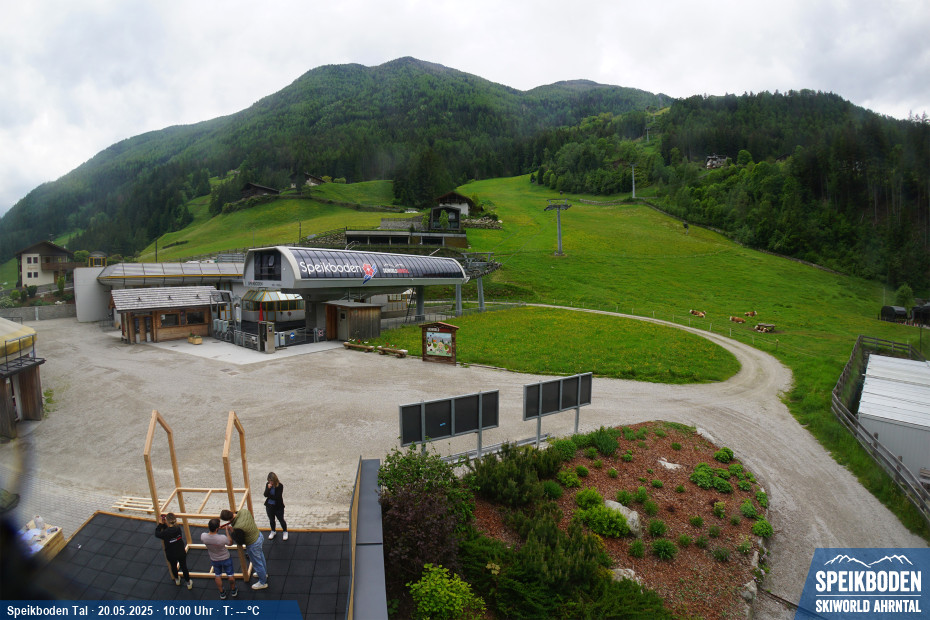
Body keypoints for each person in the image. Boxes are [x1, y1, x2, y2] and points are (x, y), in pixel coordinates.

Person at [220, 508, 268, 589]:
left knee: (257, 563)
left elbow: (240, 541)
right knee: (260, 556)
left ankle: (263, 582)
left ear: (228, 519)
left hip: (253, 544)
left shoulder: (238, 527)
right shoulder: (244, 511)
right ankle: (264, 573)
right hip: (259, 535)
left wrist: (232, 531)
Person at [201, 518, 237, 599]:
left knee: (217, 575)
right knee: (230, 575)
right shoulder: (222, 538)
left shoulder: (203, 536)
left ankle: (222, 593)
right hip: (226, 558)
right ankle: (233, 590)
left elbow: (207, 535)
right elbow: (230, 543)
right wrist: (227, 532)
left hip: (214, 559)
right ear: (217, 529)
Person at [154, 513, 192, 590]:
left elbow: (157, 533)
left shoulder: (165, 533)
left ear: (167, 521)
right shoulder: (178, 528)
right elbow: (170, 531)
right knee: (184, 567)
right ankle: (188, 583)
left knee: (173, 566)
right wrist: (165, 524)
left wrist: (160, 524)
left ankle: (177, 579)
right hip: (180, 551)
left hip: (171, 553)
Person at [263, 472, 288, 541]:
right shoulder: (268, 485)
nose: (270, 482)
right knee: (271, 520)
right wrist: (268, 489)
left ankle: (285, 531)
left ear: (275, 480)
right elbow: (265, 494)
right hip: (269, 506)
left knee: (281, 519)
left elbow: (277, 497)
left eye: (271, 481)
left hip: (278, 507)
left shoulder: (280, 486)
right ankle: (273, 531)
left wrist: (269, 495)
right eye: (269, 481)